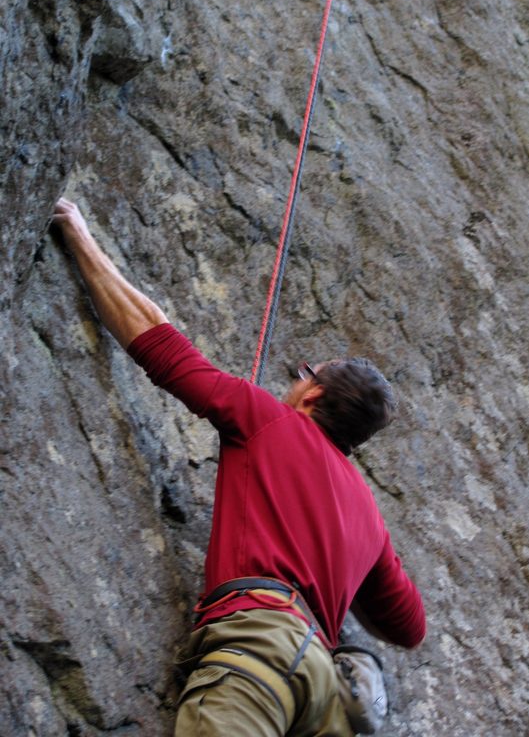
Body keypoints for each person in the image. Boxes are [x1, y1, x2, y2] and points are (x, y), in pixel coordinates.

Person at [52, 197, 426, 737]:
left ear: (312, 392)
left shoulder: (270, 420)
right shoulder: (369, 516)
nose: (292, 380)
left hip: (261, 651)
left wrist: (78, 235)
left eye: (302, 373)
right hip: (325, 694)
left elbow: (159, 343)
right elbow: (409, 627)